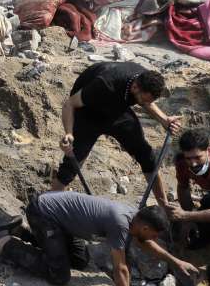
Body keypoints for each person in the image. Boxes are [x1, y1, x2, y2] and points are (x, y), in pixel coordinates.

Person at [0, 191, 189, 286]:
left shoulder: (134, 217)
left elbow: (145, 243)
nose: (152, 239)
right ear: (144, 228)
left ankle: (20, 231)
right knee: (59, 275)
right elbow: (121, 268)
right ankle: (4, 243)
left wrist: (175, 261)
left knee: (80, 260)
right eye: (153, 234)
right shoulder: (120, 223)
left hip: (60, 221)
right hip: (43, 213)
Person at [53, 62, 180, 203]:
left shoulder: (145, 79)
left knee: (146, 156)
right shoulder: (106, 83)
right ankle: (48, 206)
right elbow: (69, 104)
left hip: (117, 112)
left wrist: (164, 119)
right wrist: (69, 133)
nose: (144, 103)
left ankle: (164, 206)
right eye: (142, 99)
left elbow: (147, 102)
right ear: (135, 87)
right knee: (72, 164)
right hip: (88, 113)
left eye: (147, 100)